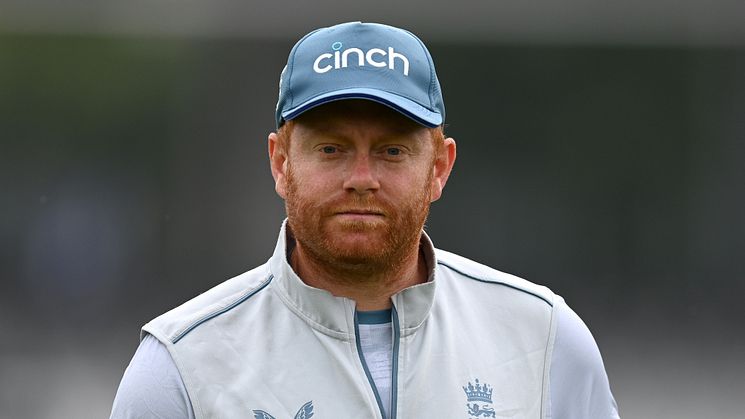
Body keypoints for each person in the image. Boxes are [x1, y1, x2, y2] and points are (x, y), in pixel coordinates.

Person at [110, 21, 620, 419]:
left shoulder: (546, 340)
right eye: (331, 148)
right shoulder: (181, 367)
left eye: (392, 150)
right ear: (281, 163)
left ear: (439, 167)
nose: (361, 177)